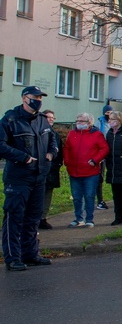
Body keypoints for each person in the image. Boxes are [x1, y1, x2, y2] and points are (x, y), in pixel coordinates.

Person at [0, 86, 57, 272]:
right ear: (25, 98)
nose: (39, 100)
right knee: (14, 218)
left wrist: (51, 153)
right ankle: (13, 258)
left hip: (39, 177)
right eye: (35, 97)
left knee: (33, 218)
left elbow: (52, 139)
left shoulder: (42, 121)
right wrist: (22, 157)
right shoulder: (10, 119)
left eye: (40, 97)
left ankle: (30, 254)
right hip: (18, 178)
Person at [62, 113, 109, 229]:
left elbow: (104, 149)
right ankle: (78, 218)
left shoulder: (97, 135)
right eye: (77, 120)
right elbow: (67, 148)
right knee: (77, 196)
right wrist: (67, 161)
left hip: (90, 172)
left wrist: (95, 160)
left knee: (89, 196)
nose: (78, 123)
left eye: (81, 121)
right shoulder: (72, 134)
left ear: (89, 123)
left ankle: (89, 219)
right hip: (74, 171)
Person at [39, 110, 63, 230]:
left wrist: (57, 164)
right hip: (39, 169)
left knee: (47, 195)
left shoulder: (55, 134)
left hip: (52, 169)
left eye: (53, 118)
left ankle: (43, 218)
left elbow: (59, 152)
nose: (51, 120)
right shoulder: (39, 131)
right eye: (48, 117)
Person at [95, 104, 113, 210]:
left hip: (112, 152)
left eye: (111, 113)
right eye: (107, 113)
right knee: (100, 177)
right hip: (102, 153)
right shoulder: (99, 123)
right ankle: (100, 199)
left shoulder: (114, 123)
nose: (109, 115)